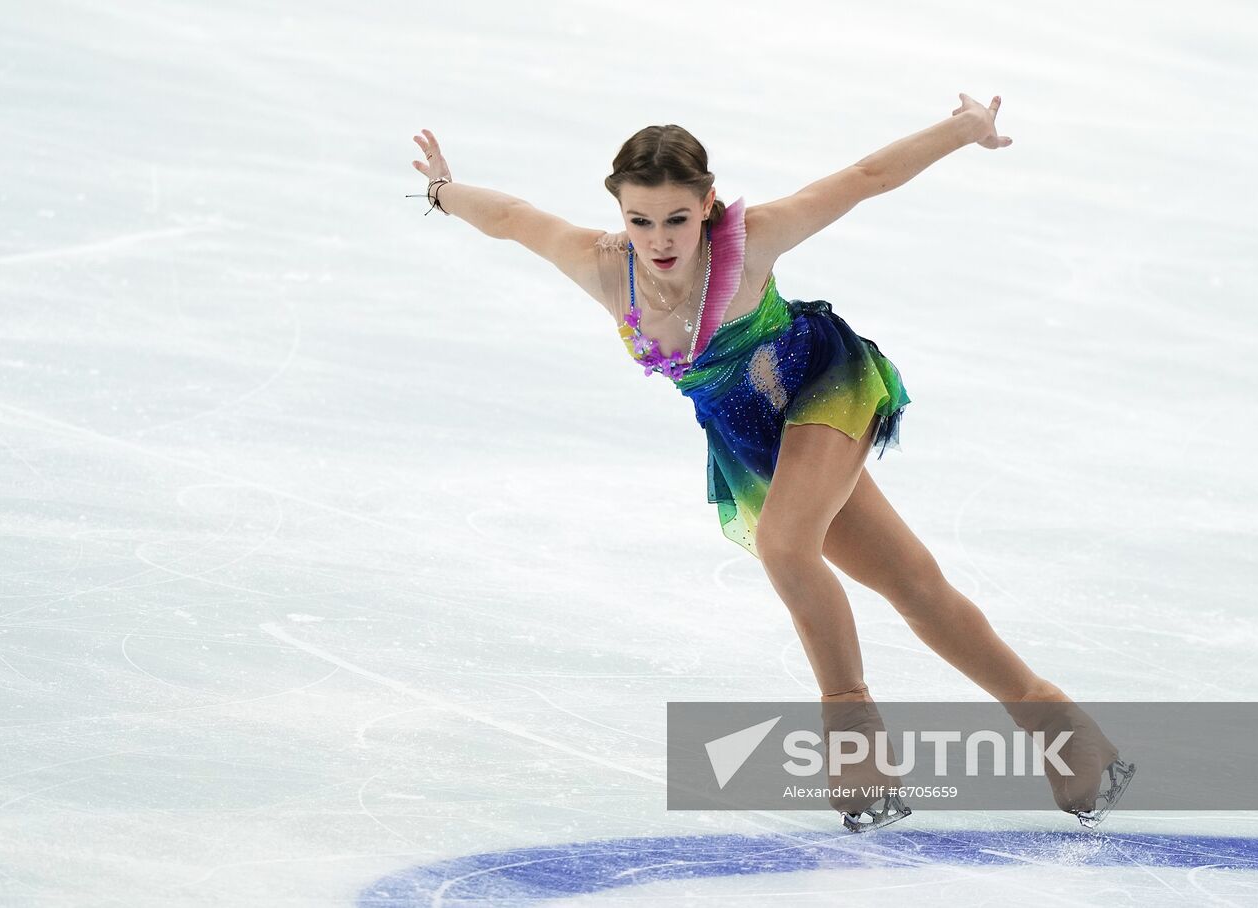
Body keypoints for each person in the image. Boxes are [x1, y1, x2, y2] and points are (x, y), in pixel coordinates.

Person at [406, 94, 1132, 831]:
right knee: (914, 586)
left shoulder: (749, 243)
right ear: (620, 213)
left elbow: (865, 176)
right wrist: (442, 189)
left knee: (786, 545)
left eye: (678, 218)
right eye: (641, 219)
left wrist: (964, 128)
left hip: (823, 386)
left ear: (708, 206)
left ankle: (855, 739)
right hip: (755, 442)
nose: (660, 239)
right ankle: (1068, 736)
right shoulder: (603, 267)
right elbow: (510, 218)